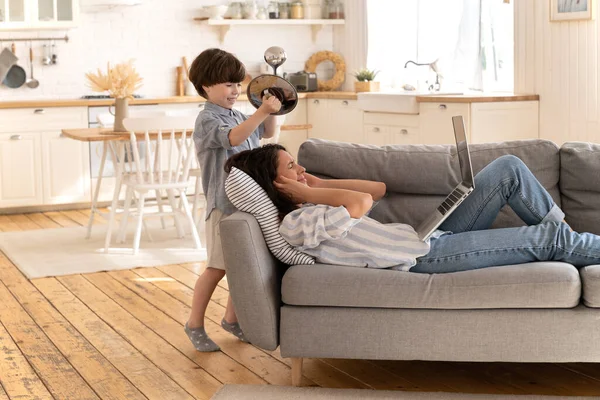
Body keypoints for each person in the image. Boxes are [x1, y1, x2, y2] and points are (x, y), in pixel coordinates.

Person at [224, 144, 600, 274]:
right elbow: (360, 203)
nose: (301, 170)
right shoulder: (296, 224)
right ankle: (567, 241)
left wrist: (313, 183)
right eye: (292, 168)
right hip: (423, 258)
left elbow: (377, 189)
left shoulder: (312, 200)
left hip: (425, 237)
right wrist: (305, 192)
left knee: (507, 169)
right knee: (546, 239)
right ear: (277, 185)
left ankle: (568, 238)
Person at [186, 48, 282, 352]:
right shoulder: (207, 120)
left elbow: (267, 132)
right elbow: (235, 138)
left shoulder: (239, 114)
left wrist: (273, 109)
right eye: (228, 85)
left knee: (242, 264)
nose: (235, 91)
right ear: (206, 87)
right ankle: (194, 324)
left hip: (248, 204)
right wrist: (262, 112)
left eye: (237, 85)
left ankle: (231, 319)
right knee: (217, 267)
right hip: (223, 206)